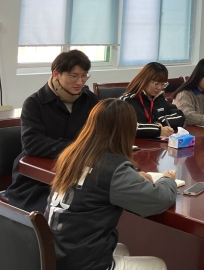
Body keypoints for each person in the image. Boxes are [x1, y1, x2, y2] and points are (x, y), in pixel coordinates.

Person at [45, 99, 176, 270]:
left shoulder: (71, 155)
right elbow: (158, 200)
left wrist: (132, 176)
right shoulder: (112, 167)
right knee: (157, 265)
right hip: (80, 263)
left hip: (55, 254)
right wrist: (168, 180)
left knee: (122, 249)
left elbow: (94, 180)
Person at [6, 50, 99, 213]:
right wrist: (77, 148)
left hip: (79, 169)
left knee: (101, 201)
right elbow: (32, 144)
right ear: (56, 74)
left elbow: (100, 133)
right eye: (74, 76)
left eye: (84, 76)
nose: (80, 82)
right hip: (37, 178)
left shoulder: (90, 99)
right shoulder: (34, 103)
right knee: (62, 209)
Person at [121, 62, 185, 138]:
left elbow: (180, 116)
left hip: (155, 143)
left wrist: (159, 122)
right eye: (156, 83)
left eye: (163, 84)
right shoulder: (127, 101)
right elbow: (129, 127)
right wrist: (158, 129)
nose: (159, 88)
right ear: (144, 80)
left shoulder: (159, 98)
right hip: (135, 143)